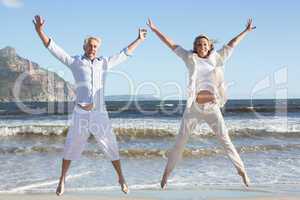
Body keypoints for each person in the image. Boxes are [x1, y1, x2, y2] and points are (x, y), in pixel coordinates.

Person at [33, 15, 147, 196]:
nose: (92, 48)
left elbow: (124, 53)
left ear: (98, 48)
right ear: (84, 47)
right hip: (81, 113)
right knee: (71, 146)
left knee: (111, 146)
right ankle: (62, 180)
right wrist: (40, 31)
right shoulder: (75, 62)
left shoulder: (104, 63)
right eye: (90, 46)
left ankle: (121, 178)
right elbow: (54, 49)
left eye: (95, 46)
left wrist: (139, 39)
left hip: (100, 114)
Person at [147, 18, 255, 189]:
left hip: (212, 107)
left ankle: (242, 172)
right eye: (198, 44)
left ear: (209, 46)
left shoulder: (218, 57)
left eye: (204, 44)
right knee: (180, 142)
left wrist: (246, 31)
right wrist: (155, 29)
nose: (202, 46)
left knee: (225, 140)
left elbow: (232, 44)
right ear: (195, 47)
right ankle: (166, 175)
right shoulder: (189, 58)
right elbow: (171, 44)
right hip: (194, 108)